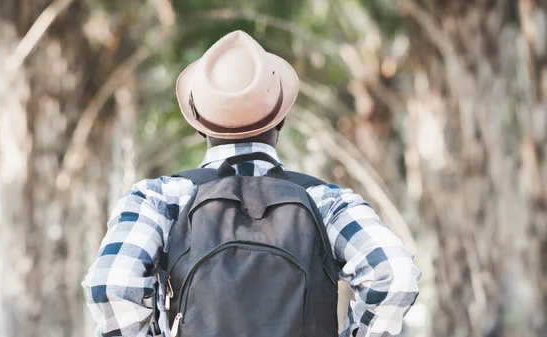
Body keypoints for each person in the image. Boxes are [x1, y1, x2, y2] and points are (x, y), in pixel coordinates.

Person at [82, 30, 421, 337]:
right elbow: (394, 275)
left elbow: (111, 285)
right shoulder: (326, 202)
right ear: (282, 117)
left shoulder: (158, 199)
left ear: (199, 125)